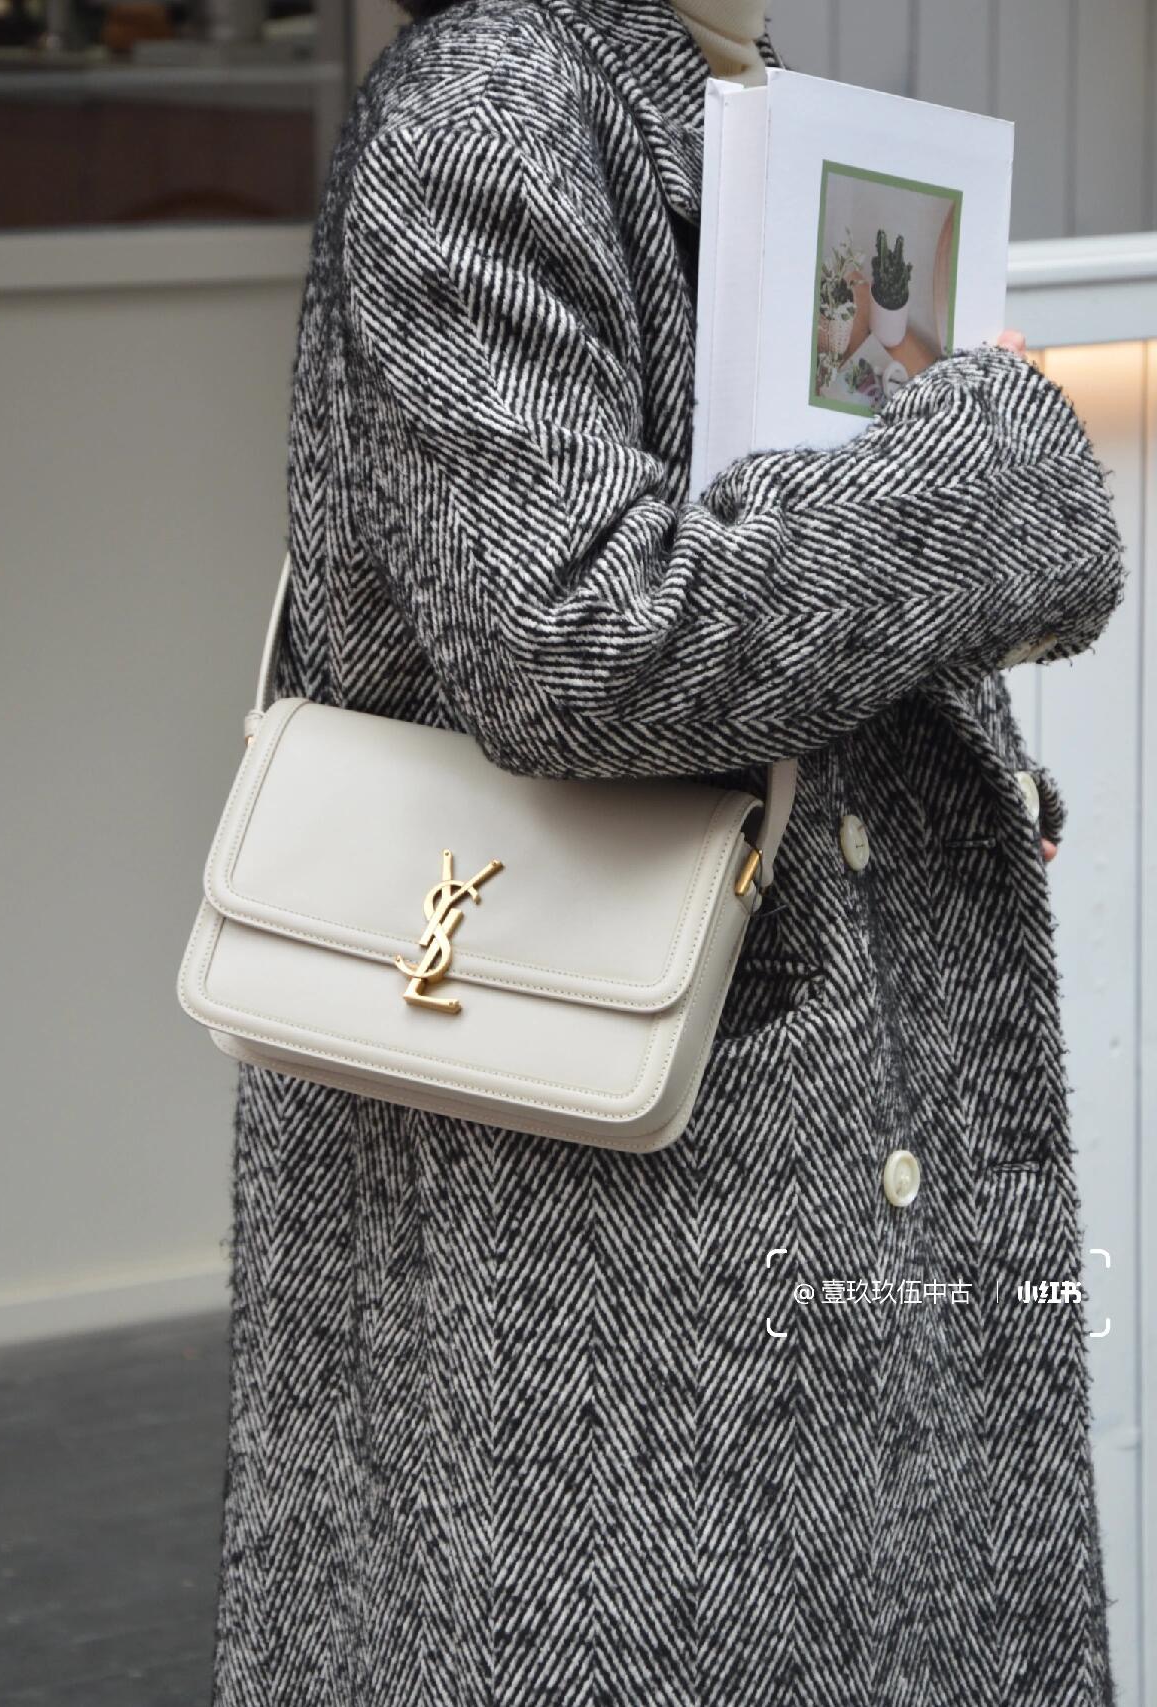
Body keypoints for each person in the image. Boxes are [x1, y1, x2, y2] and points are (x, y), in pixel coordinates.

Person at [209, 1, 1126, 1702]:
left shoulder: (741, 97)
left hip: (798, 1144)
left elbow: (773, 559)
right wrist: (990, 474)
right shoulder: (490, 109)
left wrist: (941, 783)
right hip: (607, 1216)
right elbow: (577, 639)